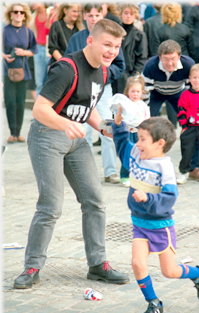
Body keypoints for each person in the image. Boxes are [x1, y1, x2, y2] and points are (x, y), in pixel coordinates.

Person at [13, 18, 129, 290]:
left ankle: (98, 264)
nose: (112, 51)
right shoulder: (66, 68)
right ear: (91, 41)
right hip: (47, 137)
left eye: (116, 46)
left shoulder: (102, 70)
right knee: (51, 206)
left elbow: (86, 108)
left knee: (95, 200)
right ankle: (32, 267)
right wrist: (65, 123)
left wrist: (102, 126)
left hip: (76, 140)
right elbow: (40, 109)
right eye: (107, 44)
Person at [112, 110, 199, 313]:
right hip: (139, 224)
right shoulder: (137, 154)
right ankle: (154, 303)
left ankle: (198, 272)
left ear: (159, 143)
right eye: (137, 138)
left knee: (170, 271)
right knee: (137, 263)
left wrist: (147, 198)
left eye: (142, 139)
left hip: (160, 226)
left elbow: (168, 199)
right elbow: (122, 147)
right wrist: (118, 126)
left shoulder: (165, 168)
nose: (137, 143)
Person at [65, 3, 125, 184]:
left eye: (97, 15)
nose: (93, 19)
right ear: (84, 16)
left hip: (103, 88)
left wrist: (103, 75)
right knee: (84, 131)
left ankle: (110, 171)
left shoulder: (111, 38)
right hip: (81, 89)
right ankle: (88, 171)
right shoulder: (77, 38)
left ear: (103, 15)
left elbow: (119, 66)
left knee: (106, 127)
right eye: (90, 15)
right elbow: (68, 61)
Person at [142, 39, 199, 182]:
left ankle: (194, 168)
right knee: (144, 126)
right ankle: (145, 164)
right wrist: (144, 114)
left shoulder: (188, 64)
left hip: (179, 93)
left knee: (193, 127)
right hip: (155, 93)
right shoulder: (150, 66)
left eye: (173, 59)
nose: (169, 63)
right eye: (165, 59)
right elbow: (145, 92)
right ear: (160, 57)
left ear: (179, 57)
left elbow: (193, 90)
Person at [2, 3, 38, 143]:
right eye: (15, 12)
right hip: (7, 71)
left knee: (20, 102)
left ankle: (18, 133)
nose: (18, 15)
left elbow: (34, 50)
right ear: (10, 14)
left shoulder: (28, 32)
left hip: (24, 71)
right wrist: (4, 56)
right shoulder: (4, 31)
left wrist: (24, 52)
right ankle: (12, 133)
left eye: (21, 12)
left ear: (25, 15)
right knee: (10, 102)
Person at [114, 73, 150, 187]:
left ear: (142, 92)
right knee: (127, 153)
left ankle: (138, 175)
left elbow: (147, 118)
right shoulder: (124, 105)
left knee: (140, 153)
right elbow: (118, 116)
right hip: (127, 131)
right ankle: (125, 176)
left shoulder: (143, 105)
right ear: (127, 91)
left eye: (138, 92)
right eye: (132, 91)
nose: (135, 94)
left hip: (140, 132)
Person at [112, 3, 148, 94]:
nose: (128, 16)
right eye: (126, 13)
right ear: (121, 14)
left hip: (130, 74)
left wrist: (134, 76)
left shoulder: (139, 35)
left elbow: (142, 58)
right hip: (114, 73)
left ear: (135, 15)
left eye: (131, 14)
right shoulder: (114, 32)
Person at [30, 3, 53, 97]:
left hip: (49, 49)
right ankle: (38, 108)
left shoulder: (51, 12)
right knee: (38, 82)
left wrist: (50, 16)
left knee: (49, 80)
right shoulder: (33, 15)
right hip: (38, 48)